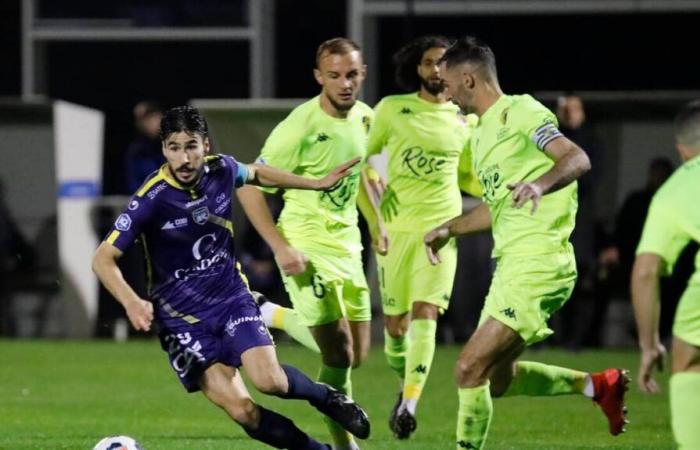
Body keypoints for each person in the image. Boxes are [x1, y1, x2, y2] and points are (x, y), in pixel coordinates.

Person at [92, 106, 370, 450]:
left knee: (271, 382)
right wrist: (131, 300)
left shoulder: (221, 168)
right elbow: (103, 259)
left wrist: (315, 183)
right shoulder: (152, 198)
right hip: (181, 322)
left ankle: (327, 398)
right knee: (244, 412)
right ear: (164, 149)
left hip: (230, 298)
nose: (184, 157)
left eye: (191, 145)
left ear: (205, 145)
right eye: (175, 147)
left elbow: (257, 174)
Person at [423, 36, 628, 449]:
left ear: (467, 79)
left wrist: (540, 183)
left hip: (539, 261)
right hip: (513, 264)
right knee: (496, 381)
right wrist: (449, 228)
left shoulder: (521, 111)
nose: (443, 93)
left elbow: (576, 158)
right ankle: (597, 387)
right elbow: (497, 208)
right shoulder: (480, 136)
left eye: (445, 83)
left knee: (467, 368)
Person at [237, 37, 382, 450]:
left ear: (363, 73)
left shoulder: (368, 119)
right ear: (319, 77)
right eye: (334, 75)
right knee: (336, 351)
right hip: (305, 241)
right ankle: (344, 447)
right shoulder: (299, 126)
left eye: (352, 74)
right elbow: (249, 186)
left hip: (348, 246)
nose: (344, 84)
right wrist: (281, 247)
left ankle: (271, 313)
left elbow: (357, 177)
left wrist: (378, 224)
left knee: (355, 355)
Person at [363, 35, 481, 439]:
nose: (436, 70)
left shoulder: (466, 119)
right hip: (396, 233)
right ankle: (404, 385)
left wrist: (499, 191)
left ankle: (410, 402)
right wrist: (375, 209)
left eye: (442, 63)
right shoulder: (393, 110)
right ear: (418, 68)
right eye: (429, 63)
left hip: (441, 231)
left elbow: (466, 175)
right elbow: (366, 164)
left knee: (425, 313)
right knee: (395, 327)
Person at [631, 100, 700, 450]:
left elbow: (645, 271)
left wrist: (648, 345)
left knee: (689, 360)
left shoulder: (674, 190)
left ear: (681, 148)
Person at [124, 101, 165, 194]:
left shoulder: (176, 144)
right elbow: (133, 184)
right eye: (141, 120)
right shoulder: (136, 150)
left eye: (150, 118)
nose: (145, 124)